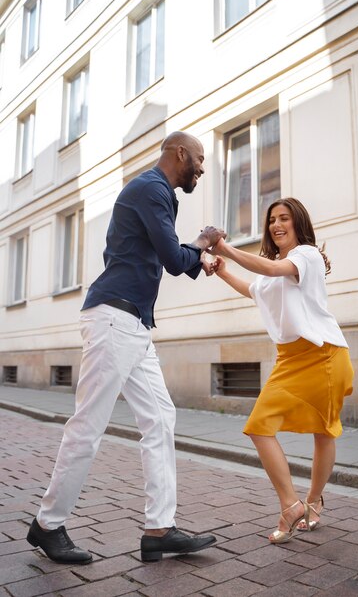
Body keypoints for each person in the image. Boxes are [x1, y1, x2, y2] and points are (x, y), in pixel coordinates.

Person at [27, 131, 224, 564]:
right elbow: (174, 259)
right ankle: (47, 524)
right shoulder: (150, 188)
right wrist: (204, 242)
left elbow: (162, 256)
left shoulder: (156, 193)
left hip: (133, 323)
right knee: (88, 427)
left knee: (160, 418)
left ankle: (159, 529)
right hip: (114, 320)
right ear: (179, 153)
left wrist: (200, 258)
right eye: (199, 158)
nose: (202, 168)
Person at [209, 197, 353, 544]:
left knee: (324, 430)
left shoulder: (306, 255)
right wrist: (222, 270)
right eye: (272, 219)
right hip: (290, 359)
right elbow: (254, 288)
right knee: (259, 426)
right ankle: (291, 504)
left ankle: (313, 500)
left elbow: (271, 271)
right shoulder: (275, 265)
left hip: (323, 355)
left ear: (297, 223)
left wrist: (225, 248)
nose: (276, 225)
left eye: (284, 218)